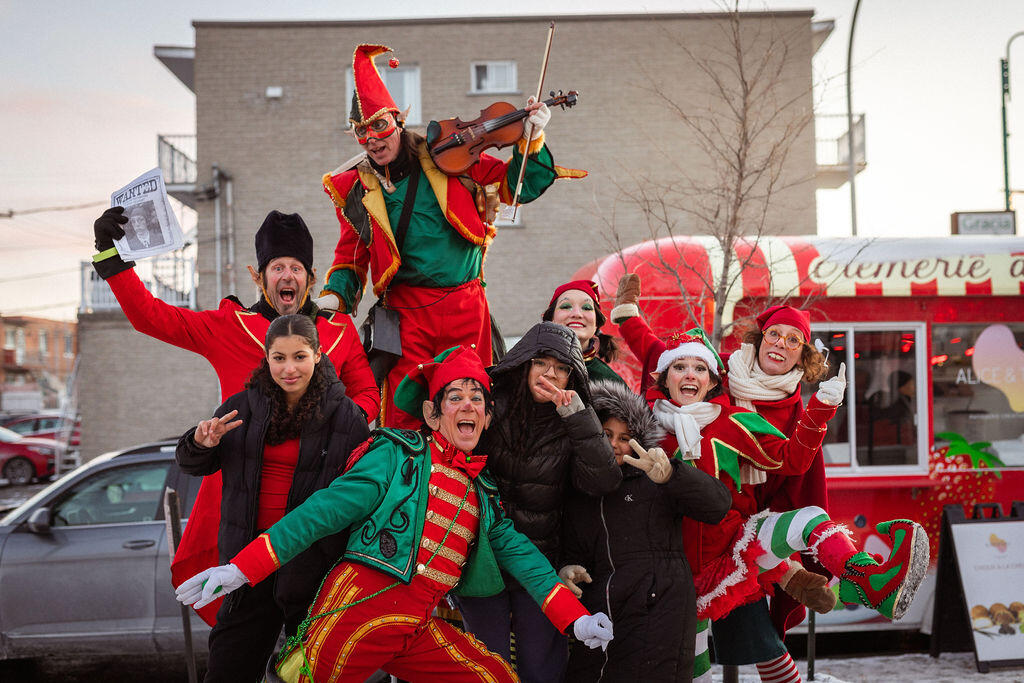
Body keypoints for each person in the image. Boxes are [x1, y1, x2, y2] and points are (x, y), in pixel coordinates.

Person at [176, 345, 614, 682]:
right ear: (432, 412)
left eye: (476, 398)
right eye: (455, 397)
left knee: (493, 676)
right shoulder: (396, 455)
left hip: (415, 628)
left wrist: (575, 621)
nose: (467, 405)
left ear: (486, 416)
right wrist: (241, 569)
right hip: (353, 616)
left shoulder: (481, 493)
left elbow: (527, 561)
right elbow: (320, 513)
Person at [92, 207, 380, 624]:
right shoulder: (231, 326)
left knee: (315, 648)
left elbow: (368, 392)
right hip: (244, 512)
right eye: (277, 267)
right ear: (258, 276)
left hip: (316, 513)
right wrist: (110, 257)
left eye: (296, 267)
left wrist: (342, 423)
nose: (287, 275)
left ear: (310, 278)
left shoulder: (338, 333)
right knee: (241, 642)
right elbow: (152, 316)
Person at [316, 44, 585, 428]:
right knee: (407, 414)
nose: (372, 139)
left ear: (397, 121)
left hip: (464, 305)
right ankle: (409, 484)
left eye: (379, 125)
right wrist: (334, 296)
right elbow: (351, 256)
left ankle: (469, 486)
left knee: (472, 404)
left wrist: (532, 139)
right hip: (406, 314)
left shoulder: (448, 155)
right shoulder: (357, 189)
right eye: (362, 132)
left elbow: (515, 187)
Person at [645, 328, 928, 681]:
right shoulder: (643, 429)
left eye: (700, 368)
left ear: (713, 380)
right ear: (663, 377)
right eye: (680, 367)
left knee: (808, 520)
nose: (690, 375)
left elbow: (792, 460)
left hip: (733, 549)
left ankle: (868, 580)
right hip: (676, 573)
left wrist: (821, 408)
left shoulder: (731, 422)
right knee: (696, 673)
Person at [175, 314, 371, 682]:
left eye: (299, 356)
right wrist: (201, 442)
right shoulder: (242, 407)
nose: (289, 368)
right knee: (228, 668)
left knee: (310, 674)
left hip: (313, 568)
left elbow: (358, 498)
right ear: (266, 358)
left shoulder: (346, 417)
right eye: (279, 357)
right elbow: (192, 464)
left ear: (317, 353)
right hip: (247, 562)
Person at [455, 321, 622, 683]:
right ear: (525, 363)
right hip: (481, 556)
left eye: (562, 369)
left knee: (541, 666)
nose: (551, 374)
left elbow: (603, 480)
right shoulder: (491, 404)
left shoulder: (573, 422)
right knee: (486, 664)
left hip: (541, 562)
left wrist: (578, 418)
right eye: (542, 362)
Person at [560, 379, 732, 682]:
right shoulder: (577, 487)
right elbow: (573, 547)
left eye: (625, 437)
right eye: (605, 434)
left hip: (660, 609)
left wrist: (672, 475)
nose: (614, 444)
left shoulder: (654, 474)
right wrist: (565, 569)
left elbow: (717, 505)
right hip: (602, 615)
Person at [717, 305, 832, 683]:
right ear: (759, 337)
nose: (781, 344)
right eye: (774, 334)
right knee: (682, 644)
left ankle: (861, 572)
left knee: (758, 634)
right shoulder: (719, 375)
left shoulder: (800, 412)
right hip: (694, 517)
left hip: (742, 529)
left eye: (793, 339)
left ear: (803, 354)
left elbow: (797, 476)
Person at [542, 279, 625, 384]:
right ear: (551, 319)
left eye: (586, 308)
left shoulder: (611, 382)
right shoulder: (527, 367)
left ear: (596, 325)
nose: (577, 314)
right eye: (566, 306)